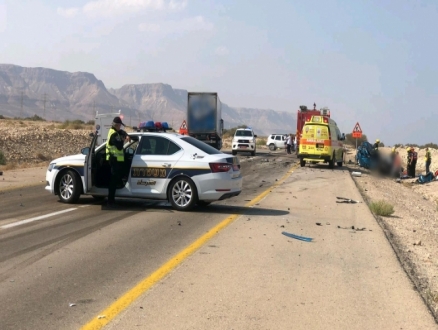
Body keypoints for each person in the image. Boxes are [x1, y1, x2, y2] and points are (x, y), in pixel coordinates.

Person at [105, 116, 129, 208]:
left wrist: (126, 135)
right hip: (113, 160)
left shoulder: (116, 132)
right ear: (116, 125)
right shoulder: (113, 134)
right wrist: (123, 139)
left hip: (117, 161)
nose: (120, 127)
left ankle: (112, 200)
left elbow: (122, 132)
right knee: (113, 182)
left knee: (114, 181)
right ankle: (110, 201)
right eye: (119, 125)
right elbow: (119, 146)